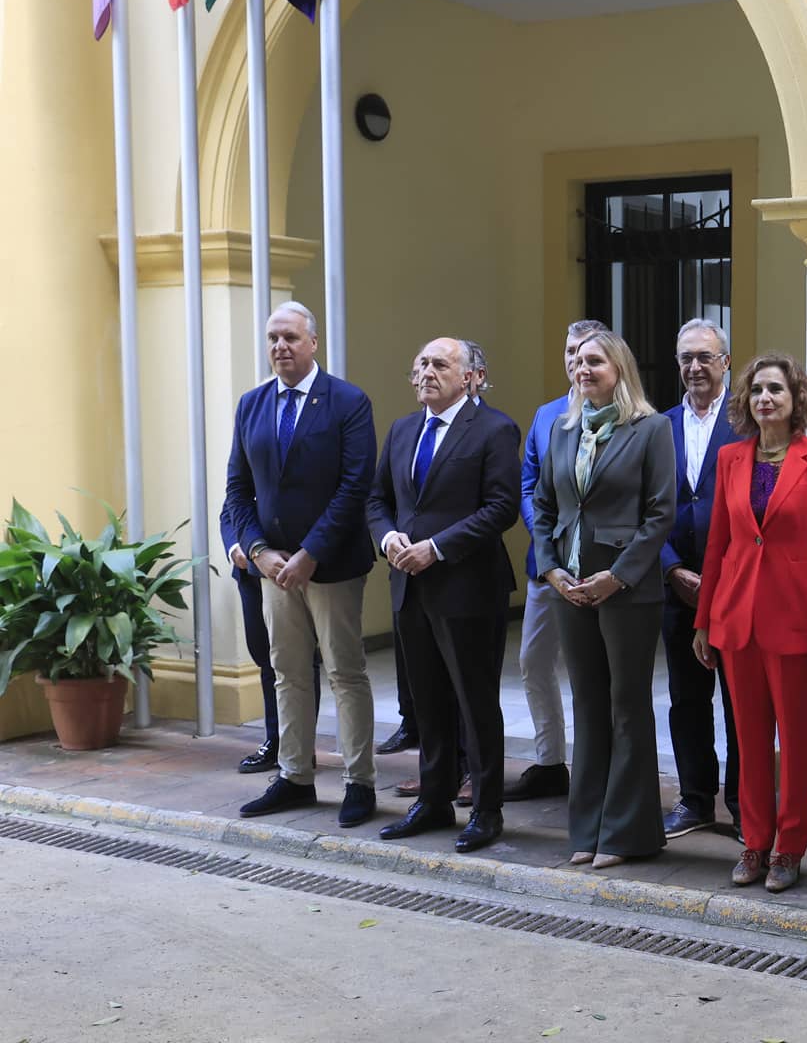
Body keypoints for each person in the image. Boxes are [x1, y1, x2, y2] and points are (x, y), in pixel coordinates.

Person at [692, 353, 807, 892]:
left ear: (795, 398)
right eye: (757, 390)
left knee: (796, 741)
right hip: (735, 619)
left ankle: (789, 848)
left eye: (776, 389)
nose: (765, 398)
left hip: (797, 623)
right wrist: (704, 619)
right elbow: (718, 545)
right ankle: (754, 843)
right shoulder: (732, 458)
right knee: (748, 739)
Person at [224, 302, 379, 827]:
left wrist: (310, 554)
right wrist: (262, 553)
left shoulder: (348, 402)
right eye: (272, 338)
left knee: (345, 672)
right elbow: (238, 490)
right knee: (287, 672)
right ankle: (295, 776)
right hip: (274, 568)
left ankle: (360, 782)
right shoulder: (251, 405)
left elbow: (354, 487)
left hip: (329, 566)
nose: (280, 347)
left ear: (313, 343)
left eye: (290, 337)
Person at [369, 338, 521, 853]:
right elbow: (377, 500)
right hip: (409, 586)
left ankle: (485, 808)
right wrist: (388, 536)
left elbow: (501, 508)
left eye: (439, 364)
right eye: (420, 365)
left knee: (475, 701)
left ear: (471, 376)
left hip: (468, 587)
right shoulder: (403, 430)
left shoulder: (495, 429)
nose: (426, 372)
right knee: (427, 702)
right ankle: (433, 800)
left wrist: (437, 547)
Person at [530, 329, 676, 868]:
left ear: (619, 368)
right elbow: (544, 507)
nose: (583, 369)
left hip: (626, 590)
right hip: (570, 588)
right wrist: (550, 571)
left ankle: (625, 833)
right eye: (578, 362)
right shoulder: (564, 430)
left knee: (626, 707)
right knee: (587, 705)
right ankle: (586, 830)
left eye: (596, 361)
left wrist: (617, 576)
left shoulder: (651, 428)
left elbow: (661, 513)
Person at [506, 320, 609, 802]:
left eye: (585, 353)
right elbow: (529, 485)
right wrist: (546, 545)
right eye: (569, 352)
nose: (574, 361)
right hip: (548, 565)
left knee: (598, 671)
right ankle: (550, 762)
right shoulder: (546, 415)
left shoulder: (624, 413)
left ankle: (603, 766)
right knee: (534, 659)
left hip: (602, 566)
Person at [659, 319, 747, 840]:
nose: (695, 367)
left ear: (726, 363)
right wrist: (670, 566)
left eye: (705, 357)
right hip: (676, 586)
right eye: (687, 357)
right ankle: (695, 800)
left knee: (740, 702)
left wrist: (718, 574)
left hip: (735, 586)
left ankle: (742, 804)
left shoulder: (748, 419)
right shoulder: (657, 425)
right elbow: (645, 505)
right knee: (686, 699)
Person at [220, 503, 318, 775]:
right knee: (265, 658)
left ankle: (301, 747)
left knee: (301, 660)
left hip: (292, 567)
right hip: (250, 573)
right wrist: (234, 548)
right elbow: (229, 512)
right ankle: (275, 741)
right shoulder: (245, 461)